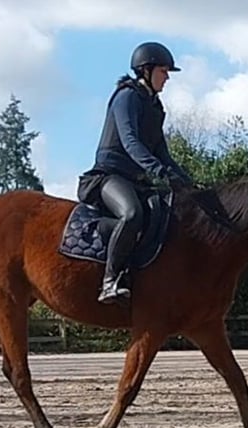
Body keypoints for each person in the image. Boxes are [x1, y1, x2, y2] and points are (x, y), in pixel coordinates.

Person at [81, 41, 194, 304]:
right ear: (146, 70)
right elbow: (131, 142)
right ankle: (110, 281)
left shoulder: (155, 107)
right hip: (108, 177)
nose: (167, 78)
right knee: (132, 214)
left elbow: (162, 152)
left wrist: (187, 183)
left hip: (135, 181)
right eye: (164, 71)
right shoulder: (127, 96)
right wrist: (159, 172)